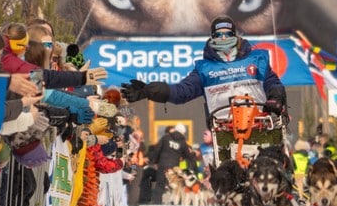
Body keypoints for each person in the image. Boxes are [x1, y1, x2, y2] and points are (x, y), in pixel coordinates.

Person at [121, 15, 288, 164]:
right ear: (212, 37)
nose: (223, 38)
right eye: (219, 34)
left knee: (273, 166)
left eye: (227, 34)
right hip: (225, 130)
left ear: (235, 35)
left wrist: (275, 98)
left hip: (260, 124)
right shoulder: (204, 69)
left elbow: (273, 83)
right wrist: (147, 91)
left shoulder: (257, 59)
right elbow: (181, 91)